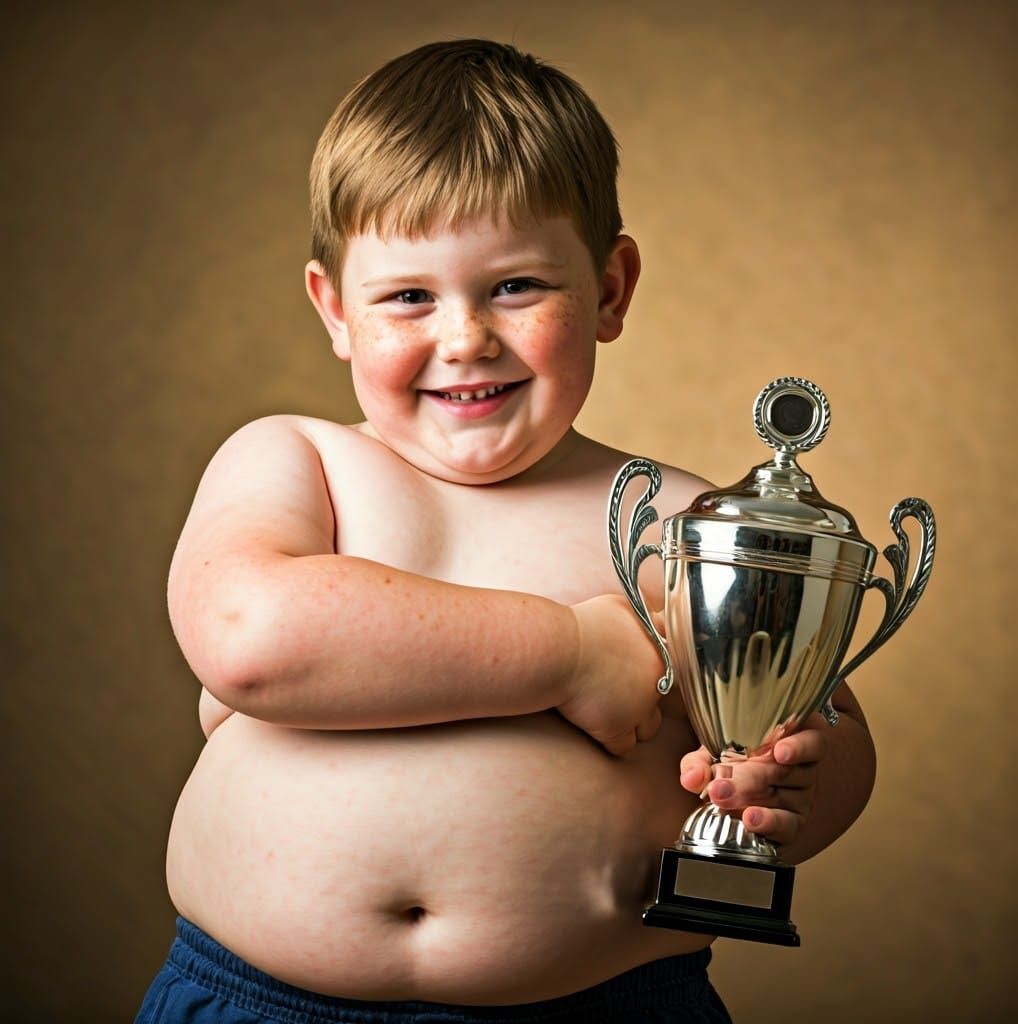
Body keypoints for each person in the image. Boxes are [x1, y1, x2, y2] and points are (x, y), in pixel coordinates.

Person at [135, 38, 875, 1024]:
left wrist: (786, 789)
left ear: (610, 289)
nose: (464, 337)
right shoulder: (298, 462)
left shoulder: (674, 519)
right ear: (335, 309)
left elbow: (830, 724)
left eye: (515, 286)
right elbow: (251, 637)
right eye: (407, 296)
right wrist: (570, 653)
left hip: (605, 1005)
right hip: (267, 1004)